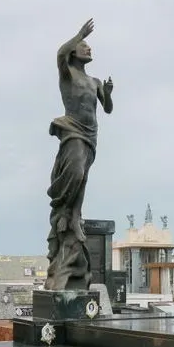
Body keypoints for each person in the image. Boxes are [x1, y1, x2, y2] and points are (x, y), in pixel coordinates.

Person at [46, 18, 114, 291]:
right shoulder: (67, 74)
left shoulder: (95, 81)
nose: (88, 49)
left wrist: (107, 94)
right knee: (73, 171)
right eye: (83, 46)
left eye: (88, 45)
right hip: (73, 129)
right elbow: (60, 54)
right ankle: (64, 214)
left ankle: (73, 216)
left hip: (90, 134)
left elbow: (107, 108)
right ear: (74, 51)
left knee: (82, 177)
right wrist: (77, 34)